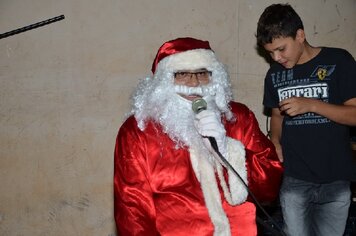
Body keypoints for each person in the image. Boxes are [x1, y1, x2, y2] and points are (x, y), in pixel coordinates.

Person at [114, 37, 283, 235]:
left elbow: (269, 189)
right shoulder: (138, 130)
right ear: (163, 82)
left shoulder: (238, 118)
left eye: (202, 73)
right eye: (182, 74)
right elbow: (133, 212)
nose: (194, 83)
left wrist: (227, 150)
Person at [256, 3, 356, 236]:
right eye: (270, 52)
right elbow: (276, 114)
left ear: (300, 35)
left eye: (281, 49)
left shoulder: (339, 60)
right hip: (294, 180)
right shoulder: (275, 74)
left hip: (336, 179)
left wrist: (311, 104)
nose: (276, 57)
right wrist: (275, 141)